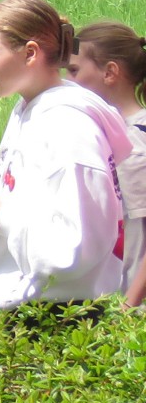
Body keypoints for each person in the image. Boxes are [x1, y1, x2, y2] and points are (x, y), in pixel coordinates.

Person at [0, 0, 134, 321]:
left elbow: (75, 247)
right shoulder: (29, 111)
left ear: (30, 53)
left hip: (63, 323)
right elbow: (38, 212)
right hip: (34, 316)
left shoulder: (68, 126)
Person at [69, 22, 146, 294]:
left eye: (74, 71)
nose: (68, 81)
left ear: (110, 72)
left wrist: (129, 308)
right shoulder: (115, 133)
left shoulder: (134, 144)